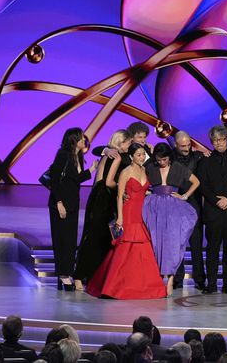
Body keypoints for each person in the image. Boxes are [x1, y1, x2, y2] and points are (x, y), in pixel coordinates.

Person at [86, 143, 166, 299]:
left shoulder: (145, 170)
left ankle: (145, 286)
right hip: (129, 213)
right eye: (138, 155)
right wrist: (121, 218)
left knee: (143, 249)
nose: (142, 157)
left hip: (142, 213)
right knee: (125, 248)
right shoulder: (125, 172)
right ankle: (114, 286)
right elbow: (119, 195)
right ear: (131, 157)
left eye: (143, 154)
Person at [75, 129, 131, 288]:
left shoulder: (107, 154)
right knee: (97, 239)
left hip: (97, 197)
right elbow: (109, 182)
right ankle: (81, 275)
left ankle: (89, 275)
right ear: (121, 143)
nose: (129, 145)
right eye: (128, 143)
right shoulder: (117, 156)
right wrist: (123, 188)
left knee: (95, 237)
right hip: (105, 199)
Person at [143, 142, 199, 295]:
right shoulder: (150, 167)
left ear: (169, 157)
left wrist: (185, 196)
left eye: (164, 159)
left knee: (172, 243)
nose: (161, 162)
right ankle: (159, 278)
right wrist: (146, 193)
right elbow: (142, 182)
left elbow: (196, 181)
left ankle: (171, 279)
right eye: (159, 159)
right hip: (154, 207)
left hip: (173, 207)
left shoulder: (178, 167)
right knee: (156, 242)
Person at [197, 125, 227, 294]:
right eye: (215, 140)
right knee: (212, 249)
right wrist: (216, 201)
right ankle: (211, 284)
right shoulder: (205, 160)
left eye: (221, 139)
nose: (219, 143)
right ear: (211, 142)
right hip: (213, 211)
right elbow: (202, 185)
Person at [48, 127, 95, 291]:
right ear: (74, 140)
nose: (85, 140)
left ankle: (67, 272)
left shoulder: (79, 157)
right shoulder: (63, 155)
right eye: (82, 138)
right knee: (61, 239)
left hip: (73, 203)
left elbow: (75, 179)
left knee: (70, 240)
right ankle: (62, 275)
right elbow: (54, 180)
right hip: (60, 204)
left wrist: (92, 169)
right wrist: (59, 203)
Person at [172, 130, 207, 290]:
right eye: (182, 146)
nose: (186, 149)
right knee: (177, 243)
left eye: (188, 145)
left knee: (196, 243)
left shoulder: (199, 157)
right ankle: (178, 279)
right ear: (175, 144)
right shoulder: (169, 156)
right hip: (174, 204)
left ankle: (199, 279)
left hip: (194, 204)